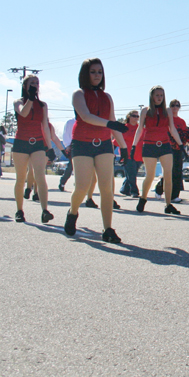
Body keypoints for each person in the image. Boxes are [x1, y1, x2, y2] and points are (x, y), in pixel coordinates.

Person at [64, 58, 128, 243]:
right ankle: (72, 212)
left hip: (104, 144)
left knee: (106, 188)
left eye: (100, 72)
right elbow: (86, 116)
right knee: (82, 187)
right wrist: (110, 124)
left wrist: (123, 147)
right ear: (85, 74)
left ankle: (107, 229)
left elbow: (113, 120)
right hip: (82, 143)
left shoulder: (107, 97)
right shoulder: (78, 94)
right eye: (93, 72)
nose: (97, 75)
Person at [131, 86, 183, 214]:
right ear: (152, 97)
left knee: (168, 175)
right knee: (149, 175)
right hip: (149, 145)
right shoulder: (145, 111)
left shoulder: (168, 111)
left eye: (161, 95)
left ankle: (168, 204)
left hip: (165, 145)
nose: (159, 98)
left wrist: (181, 145)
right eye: (157, 95)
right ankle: (143, 199)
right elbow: (139, 130)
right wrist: (133, 146)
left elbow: (172, 129)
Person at [12, 75, 54, 223]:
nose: (35, 85)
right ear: (25, 86)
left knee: (40, 176)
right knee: (21, 177)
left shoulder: (42, 105)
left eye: (37, 83)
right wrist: (30, 98)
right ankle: (19, 210)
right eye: (32, 83)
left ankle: (44, 210)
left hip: (37, 143)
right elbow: (23, 113)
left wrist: (49, 147)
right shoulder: (19, 102)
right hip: (21, 143)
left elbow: (45, 126)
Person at [168, 99, 188, 204]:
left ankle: (175, 195)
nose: (175, 107)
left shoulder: (182, 121)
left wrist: (184, 147)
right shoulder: (167, 119)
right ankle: (160, 187)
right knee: (169, 172)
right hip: (168, 148)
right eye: (173, 105)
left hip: (178, 148)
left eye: (177, 105)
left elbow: (185, 136)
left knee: (177, 172)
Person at [120, 110, 142, 198]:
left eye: (137, 116)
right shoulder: (124, 128)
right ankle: (134, 192)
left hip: (139, 156)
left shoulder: (140, 128)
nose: (136, 118)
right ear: (129, 117)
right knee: (131, 174)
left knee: (131, 174)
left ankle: (124, 189)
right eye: (134, 116)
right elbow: (116, 141)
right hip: (128, 155)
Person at [58, 118, 75, 191]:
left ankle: (80, 183)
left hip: (85, 145)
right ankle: (62, 182)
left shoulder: (88, 120)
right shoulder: (70, 122)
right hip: (73, 146)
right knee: (71, 166)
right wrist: (67, 145)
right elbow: (66, 134)